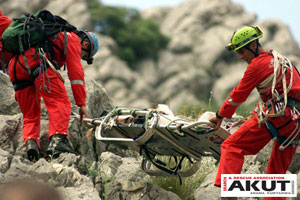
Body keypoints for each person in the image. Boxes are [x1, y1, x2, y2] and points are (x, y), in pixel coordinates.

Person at [209, 25, 300, 200]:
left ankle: (229, 195)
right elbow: (284, 94)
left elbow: (238, 96)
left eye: (242, 52)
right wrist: (253, 115)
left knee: (231, 146)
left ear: (253, 46)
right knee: (276, 175)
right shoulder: (282, 60)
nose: (241, 57)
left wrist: (219, 116)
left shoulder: (258, 65)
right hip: (295, 126)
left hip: (279, 117)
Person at [8, 24, 99, 161]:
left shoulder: (53, 36)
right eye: (84, 55)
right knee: (60, 103)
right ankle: (57, 143)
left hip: (15, 66)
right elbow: (76, 74)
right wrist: (81, 104)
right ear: (85, 43)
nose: (81, 57)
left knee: (30, 114)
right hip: (36, 61)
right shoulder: (72, 39)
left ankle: (31, 144)